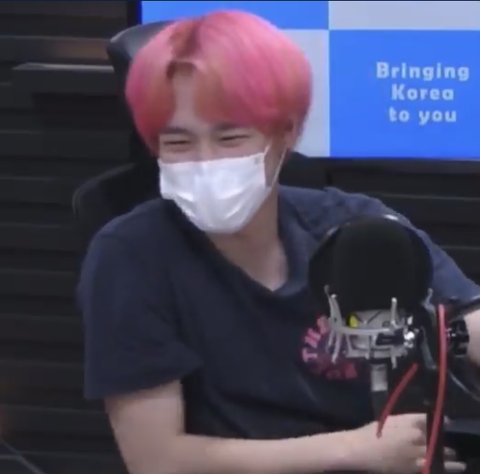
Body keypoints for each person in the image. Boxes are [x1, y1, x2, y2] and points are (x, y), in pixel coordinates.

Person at [78, 9, 480, 474]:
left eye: (230, 137)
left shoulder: (351, 227)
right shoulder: (130, 256)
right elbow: (158, 459)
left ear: (285, 133)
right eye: (179, 143)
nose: (205, 162)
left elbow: (467, 320)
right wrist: (358, 450)